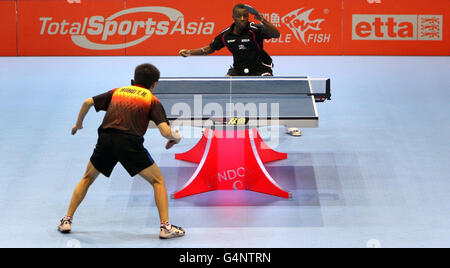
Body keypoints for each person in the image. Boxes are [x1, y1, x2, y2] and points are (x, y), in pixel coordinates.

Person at [58, 63, 185, 239]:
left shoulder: (118, 91)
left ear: (134, 80)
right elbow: (165, 132)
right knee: (158, 182)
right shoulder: (152, 100)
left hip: (106, 139)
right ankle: (165, 227)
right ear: (154, 84)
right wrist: (176, 137)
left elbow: (87, 102)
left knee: (87, 178)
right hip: (129, 144)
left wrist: (78, 124)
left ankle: (66, 220)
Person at [179, 3, 280, 76]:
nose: (242, 19)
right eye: (239, 16)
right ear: (233, 17)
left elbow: (276, 34)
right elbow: (210, 49)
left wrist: (263, 20)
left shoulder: (255, 29)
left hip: (261, 69)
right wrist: (189, 52)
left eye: (245, 16)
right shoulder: (226, 35)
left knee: (266, 90)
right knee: (225, 87)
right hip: (238, 70)